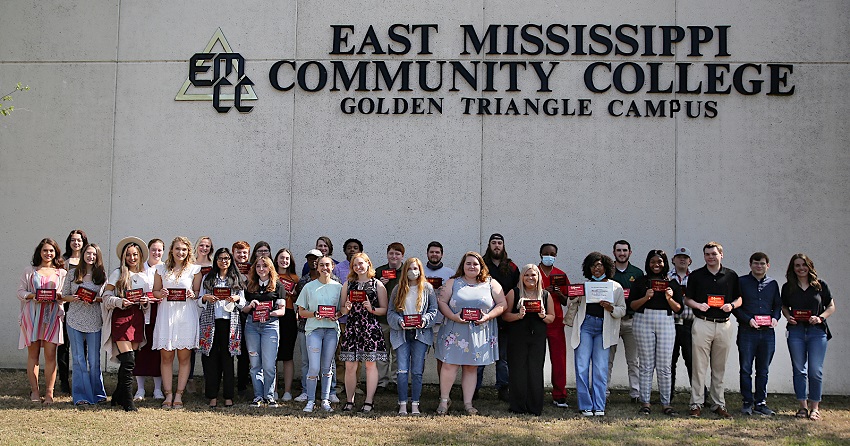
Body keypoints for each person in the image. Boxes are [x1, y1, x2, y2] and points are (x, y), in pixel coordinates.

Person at [435, 251, 507, 415]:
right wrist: (453, 316)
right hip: (455, 331)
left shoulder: (491, 283)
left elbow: (502, 303)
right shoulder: (453, 282)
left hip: (478, 332)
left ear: (481, 266)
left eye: (475, 264)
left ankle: (468, 403)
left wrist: (488, 316)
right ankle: (444, 401)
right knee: (448, 366)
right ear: (463, 265)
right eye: (468, 263)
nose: (472, 266)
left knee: (471, 368)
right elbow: (442, 302)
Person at [684, 241, 741, 419]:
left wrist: (731, 305)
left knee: (719, 367)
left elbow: (739, 299)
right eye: (707, 254)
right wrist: (697, 305)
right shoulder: (696, 275)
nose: (710, 257)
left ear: (721, 255)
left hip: (724, 324)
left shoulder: (731, 275)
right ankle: (696, 404)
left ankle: (718, 404)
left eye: (714, 254)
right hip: (702, 323)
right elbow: (687, 299)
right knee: (699, 367)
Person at [781, 253, 836, 421]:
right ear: (793, 268)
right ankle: (802, 407)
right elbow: (784, 306)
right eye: (797, 265)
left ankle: (815, 408)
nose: (801, 268)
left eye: (803, 265)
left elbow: (831, 306)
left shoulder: (820, 285)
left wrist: (820, 318)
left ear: (809, 266)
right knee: (799, 370)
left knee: (815, 371)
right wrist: (788, 316)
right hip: (796, 331)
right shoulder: (788, 286)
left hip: (817, 331)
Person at [571, 252, 626, 417]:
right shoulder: (585, 286)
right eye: (593, 265)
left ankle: (599, 405)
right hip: (585, 326)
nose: (597, 268)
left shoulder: (615, 287)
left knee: (600, 369)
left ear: (606, 267)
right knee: (582, 367)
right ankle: (585, 405)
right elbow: (570, 302)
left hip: (604, 328)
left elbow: (622, 310)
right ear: (589, 268)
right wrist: (575, 295)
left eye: (600, 265)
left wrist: (611, 308)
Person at [101, 236, 153, 411]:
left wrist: (145, 301)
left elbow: (147, 301)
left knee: (129, 361)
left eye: (135, 255)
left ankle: (117, 395)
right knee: (129, 360)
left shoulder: (144, 276)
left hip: (136, 319)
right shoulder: (117, 273)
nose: (132, 258)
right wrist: (119, 302)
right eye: (129, 255)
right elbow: (105, 298)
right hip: (121, 318)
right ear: (124, 256)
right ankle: (128, 401)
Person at [629, 250, 683, 416]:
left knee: (664, 365)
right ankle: (645, 402)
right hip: (643, 320)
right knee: (645, 364)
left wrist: (669, 298)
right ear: (648, 263)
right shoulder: (640, 282)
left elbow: (678, 309)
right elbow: (632, 306)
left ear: (665, 263)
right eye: (653, 262)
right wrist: (646, 297)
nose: (656, 265)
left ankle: (666, 403)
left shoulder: (672, 283)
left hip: (666, 321)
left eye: (659, 262)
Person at [152, 236, 203, 409]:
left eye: (184, 249)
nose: (180, 252)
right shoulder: (160, 269)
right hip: (167, 314)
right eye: (177, 249)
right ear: (171, 251)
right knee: (166, 356)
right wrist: (161, 293)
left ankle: (179, 394)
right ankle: (168, 394)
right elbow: (155, 292)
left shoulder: (195, 270)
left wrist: (192, 294)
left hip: (186, 316)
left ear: (188, 251)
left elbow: (197, 293)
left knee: (184, 356)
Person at [17, 238, 68, 405]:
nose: (48, 253)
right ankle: (35, 390)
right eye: (45, 250)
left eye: (51, 251)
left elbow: (65, 295)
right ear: (40, 252)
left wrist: (59, 297)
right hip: (32, 316)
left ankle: (49, 392)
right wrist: (32, 296)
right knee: (33, 355)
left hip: (52, 317)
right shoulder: (30, 271)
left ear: (56, 253)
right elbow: (20, 292)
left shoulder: (62, 273)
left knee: (51, 355)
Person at [502, 264, 556, 415]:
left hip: (537, 338)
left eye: (533, 275)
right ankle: (517, 406)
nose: (530, 278)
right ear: (521, 277)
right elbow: (504, 315)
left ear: (538, 277)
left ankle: (534, 406)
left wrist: (543, 316)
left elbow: (552, 318)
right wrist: (518, 316)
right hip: (517, 338)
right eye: (526, 275)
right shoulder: (514, 292)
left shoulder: (545, 295)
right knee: (517, 370)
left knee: (535, 370)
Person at [339, 253, 389, 413]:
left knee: (370, 365)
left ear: (368, 264)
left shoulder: (378, 284)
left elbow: (384, 310)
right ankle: (349, 400)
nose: (358, 267)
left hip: (370, 328)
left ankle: (369, 401)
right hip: (353, 328)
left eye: (361, 263)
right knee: (350, 366)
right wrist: (346, 308)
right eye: (355, 265)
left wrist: (371, 309)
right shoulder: (348, 284)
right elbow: (342, 310)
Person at [388, 257, 438, 415]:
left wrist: (424, 320)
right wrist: (398, 321)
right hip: (401, 334)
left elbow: (434, 311)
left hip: (420, 335)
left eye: (416, 269)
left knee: (417, 371)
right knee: (402, 370)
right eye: (409, 269)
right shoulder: (398, 289)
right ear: (405, 271)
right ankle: (402, 403)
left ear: (420, 270)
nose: (413, 272)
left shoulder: (428, 289)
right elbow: (391, 312)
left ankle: (415, 403)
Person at [734, 252, 781, 416]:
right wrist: (748, 320)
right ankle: (747, 402)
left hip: (768, 333)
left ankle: (761, 403)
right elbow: (736, 307)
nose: (758, 266)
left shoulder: (773, 284)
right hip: (747, 331)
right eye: (755, 263)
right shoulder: (741, 282)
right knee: (746, 369)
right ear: (750, 264)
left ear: (768, 265)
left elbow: (777, 306)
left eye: (762, 263)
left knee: (763, 370)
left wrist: (775, 318)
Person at [198, 248, 246, 408]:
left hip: (230, 323)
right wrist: (205, 298)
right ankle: (212, 395)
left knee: (228, 359)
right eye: (220, 258)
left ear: (231, 260)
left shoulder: (236, 278)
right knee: (210, 359)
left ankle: (228, 396)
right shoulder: (208, 277)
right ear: (216, 260)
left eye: (226, 258)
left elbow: (243, 304)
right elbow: (199, 300)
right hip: (211, 322)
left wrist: (237, 298)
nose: (223, 261)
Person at [296, 256, 343, 413]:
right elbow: (301, 311)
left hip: (331, 330)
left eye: (327, 265)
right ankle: (310, 400)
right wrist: (314, 313)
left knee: (327, 366)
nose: (325, 268)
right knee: (314, 367)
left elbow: (342, 310)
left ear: (333, 267)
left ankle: (325, 400)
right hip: (314, 330)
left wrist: (339, 314)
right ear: (317, 268)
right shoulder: (309, 287)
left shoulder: (338, 287)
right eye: (321, 265)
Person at [62, 243, 107, 406]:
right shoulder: (72, 274)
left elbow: (105, 297)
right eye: (88, 253)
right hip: (74, 320)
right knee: (79, 359)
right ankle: (81, 396)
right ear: (83, 254)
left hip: (94, 320)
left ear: (98, 257)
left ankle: (98, 394)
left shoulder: (101, 275)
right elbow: (63, 296)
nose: (91, 256)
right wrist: (73, 298)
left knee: (94, 360)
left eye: (94, 254)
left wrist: (95, 299)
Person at [242, 256, 286, 407]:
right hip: (252, 326)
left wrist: (269, 313)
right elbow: (244, 309)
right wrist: (251, 305)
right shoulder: (250, 285)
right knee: (255, 364)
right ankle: (258, 396)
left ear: (270, 268)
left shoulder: (278, 286)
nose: (261, 269)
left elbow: (282, 311)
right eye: (258, 266)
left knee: (268, 364)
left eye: (264, 266)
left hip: (270, 326)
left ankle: (269, 395)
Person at [480, 233, 518, 401]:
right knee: (479, 354)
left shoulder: (512, 267)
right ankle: (474, 389)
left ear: (503, 246)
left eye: (499, 243)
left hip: (505, 317)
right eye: (493, 243)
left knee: (503, 357)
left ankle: (503, 388)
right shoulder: (481, 265)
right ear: (489, 245)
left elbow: (517, 291)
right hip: (483, 317)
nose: (496, 245)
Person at [537, 243, 571, 408]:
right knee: (536, 359)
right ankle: (535, 392)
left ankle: (559, 394)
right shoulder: (533, 273)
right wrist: (544, 291)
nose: (549, 256)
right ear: (540, 254)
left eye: (552, 254)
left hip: (557, 322)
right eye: (546, 253)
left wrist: (558, 293)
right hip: (538, 321)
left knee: (558, 359)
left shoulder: (560, 274)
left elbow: (567, 301)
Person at [609, 240, 643, 403]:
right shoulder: (608, 272)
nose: (621, 253)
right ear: (613, 252)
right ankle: (604, 392)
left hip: (632, 321)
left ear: (630, 252)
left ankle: (636, 394)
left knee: (633, 360)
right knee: (607, 359)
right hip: (611, 321)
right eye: (618, 250)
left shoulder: (637, 273)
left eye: (624, 250)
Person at [134, 238, 165, 401]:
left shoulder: (166, 268)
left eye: (159, 250)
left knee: (158, 351)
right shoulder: (140, 268)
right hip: (143, 312)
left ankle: (158, 389)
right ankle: (140, 389)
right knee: (141, 349)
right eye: (153, 249)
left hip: (160, 313)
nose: (156, 253)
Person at [59, 229, 87, 395]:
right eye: (73, 240)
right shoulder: (62, 261)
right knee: (63, 346)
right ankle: (63, 381)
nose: (76, 243)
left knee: (82, 346)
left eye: (79, 240)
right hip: (66, 307)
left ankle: (81, 378)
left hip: (83, 307)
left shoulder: (87, 260)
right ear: (69, 243)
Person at [375, 242, 405, 391]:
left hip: (400, 320)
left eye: (397, 254)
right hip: (382, 319)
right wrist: (379, 284)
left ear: (402, 256)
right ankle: (381, 382)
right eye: (391, 253)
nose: (394, 256)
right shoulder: (379, 271)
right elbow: (370, 295)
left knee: (397, 352)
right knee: (382, 352)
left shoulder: (407, 271)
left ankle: (395, 381)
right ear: (387, 255)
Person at [423, 241, 454, 381]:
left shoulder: (450, 273)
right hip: (422, 322)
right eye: (432, 252)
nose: (434, 254)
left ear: (442, 254)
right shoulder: (420, 271)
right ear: (427, 254)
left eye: (437, 252)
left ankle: (443, 392)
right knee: (418, 359)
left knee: (442, 359)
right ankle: (417, 390)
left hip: (442, 322)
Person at [188, 236, 214, 394]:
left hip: (208, 307)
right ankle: (189, 379)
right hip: (191, 306)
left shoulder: (213, 266)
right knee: (190, 343)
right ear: (196, 246)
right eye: (202, 245)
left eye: (208, 246)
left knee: (206, 342)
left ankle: (207, 379)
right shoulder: (189, 265)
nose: (204, 248)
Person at [668, 247, 694, 401]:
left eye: (685, 257)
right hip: (670, 324)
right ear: (673, 260)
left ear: (690, 261)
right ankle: (668, 395)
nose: (682, 260)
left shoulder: (695, 277)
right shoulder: (666, 277)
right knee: (670, 362)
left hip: (689, 324)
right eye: (679, 257)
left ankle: (699, 396)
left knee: (692, 361)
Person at [274, 248, 300, 402]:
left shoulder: (295, 278)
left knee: (287, 355)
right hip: (273, 315)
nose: (284, 261)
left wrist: (293, 295)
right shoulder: (270, 275)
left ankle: (288, 391)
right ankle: (274, 389)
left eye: (287, 259)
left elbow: (299, 301)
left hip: (289, 315)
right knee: (272, 356)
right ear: (276, 259)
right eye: (282, 258)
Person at [232, 240, 253, 397]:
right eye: (238, 252)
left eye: (244, 252)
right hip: (229, 312)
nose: (241, 255)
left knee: (245, 352)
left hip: (247, 313)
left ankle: (242, 385)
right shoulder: (227, 267)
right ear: (233, 253)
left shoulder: (254, 268)